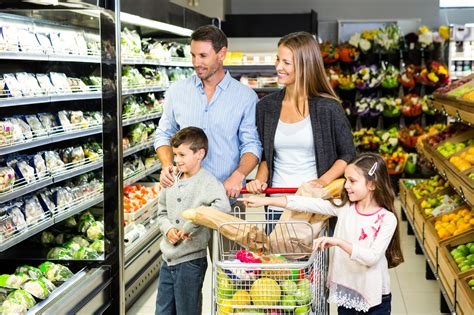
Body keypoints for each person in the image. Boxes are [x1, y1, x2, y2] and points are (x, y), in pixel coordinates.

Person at [240, 153, 404, 314]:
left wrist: (338, 242)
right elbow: (307, 203)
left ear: (372, 185)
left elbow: (372, 257)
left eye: (352, 181)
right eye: (346, 179)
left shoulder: (387, 219)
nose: (346, 185)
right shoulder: (343, 207)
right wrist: (266, 200)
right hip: (347, 292)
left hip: (374, 296)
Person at [245, 31, 355, 229]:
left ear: (305, 65)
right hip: (276, 205)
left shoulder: (327, 107)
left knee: (314, 260)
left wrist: (323, 181)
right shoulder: (266, 107)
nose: (278, 67)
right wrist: (260, 180)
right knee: (278, 259)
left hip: (315, 206)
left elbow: (347, 153)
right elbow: (265, 157)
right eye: (278, 59)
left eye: (286, 62)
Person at [155, 25, 262, 199]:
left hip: (226, 195)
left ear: (221, 54)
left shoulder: (245, 97)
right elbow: (164, 133)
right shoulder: (176, 92)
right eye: (193, 55)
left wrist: (238, 175)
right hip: (184, 195)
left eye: (203, 56)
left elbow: (251, 144)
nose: (196, 63)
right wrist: (167, 164)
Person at [155, 127, 231, 315]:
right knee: (163, 311)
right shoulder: (171, 179)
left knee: (187, 310)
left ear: (200, 154)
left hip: (191, 261)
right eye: (175, 155)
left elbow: (223, 207)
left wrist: (192, 224)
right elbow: (161, 213)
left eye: (182, 154)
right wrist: (168, 229)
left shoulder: (208, 182)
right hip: (167, 259)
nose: (177, 160)